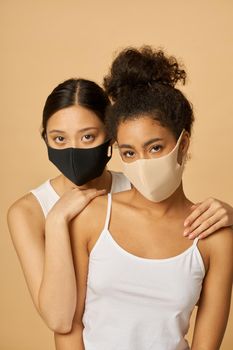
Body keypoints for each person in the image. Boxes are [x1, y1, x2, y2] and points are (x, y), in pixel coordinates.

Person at [60, 47, 233, 350]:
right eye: (129, 152)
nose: (142, 162)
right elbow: (68, 326)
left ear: (183, 144)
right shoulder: (93, 216)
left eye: (155, 148)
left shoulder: (213, 236)